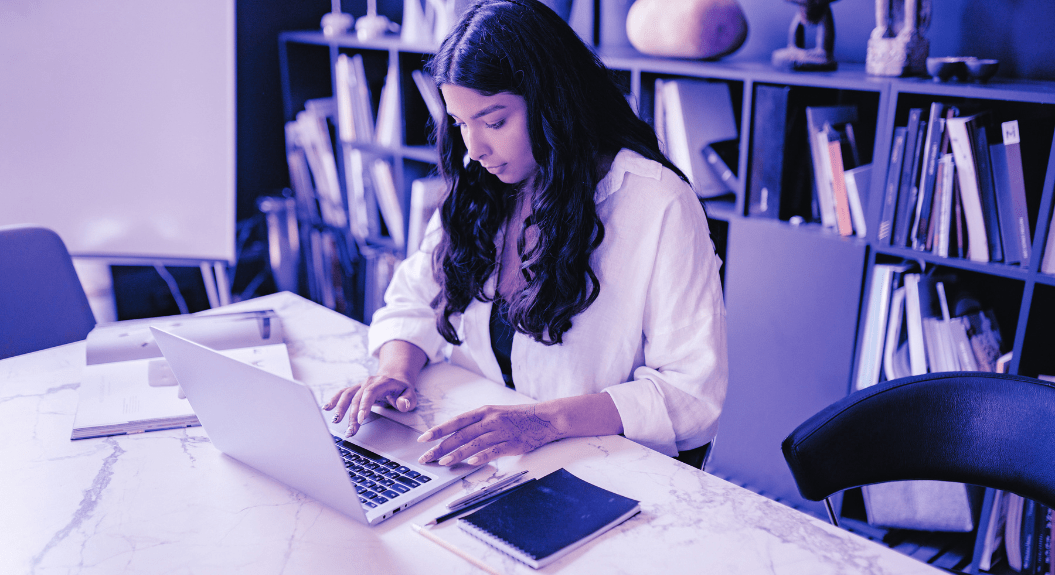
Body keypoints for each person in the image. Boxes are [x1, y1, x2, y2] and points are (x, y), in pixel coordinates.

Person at [325, 0, 727, 469]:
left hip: (598, 469)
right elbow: (415, 296)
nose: (473, 149)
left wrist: (543, 422)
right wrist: (395, 371)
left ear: (553, 103)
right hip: (485, 458)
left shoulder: (658, 204)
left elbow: (691, 393)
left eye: (494, 121)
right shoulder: (483, 184)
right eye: (460, 124)